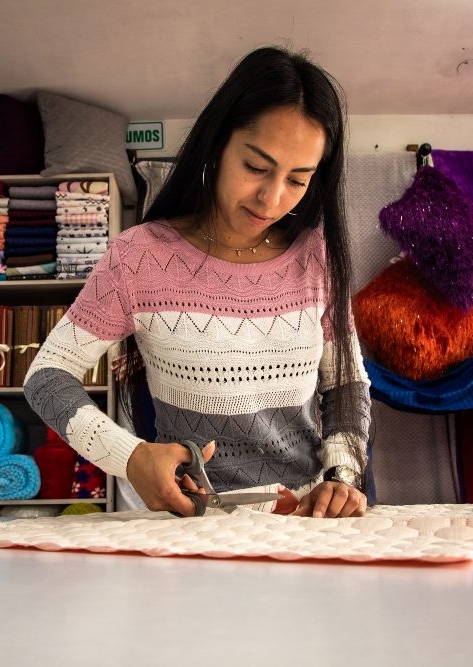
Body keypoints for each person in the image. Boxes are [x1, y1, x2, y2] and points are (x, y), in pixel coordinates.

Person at [24, 46, 371, 518]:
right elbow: (47, 376)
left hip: (305, 523)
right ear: (217, 145)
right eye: (256, 167)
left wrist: (341, 478)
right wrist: (130, 456)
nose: (272, 199)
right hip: (193, 524)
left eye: (298, 179)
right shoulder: (140, 256)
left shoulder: (316, 257)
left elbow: (346, 383)